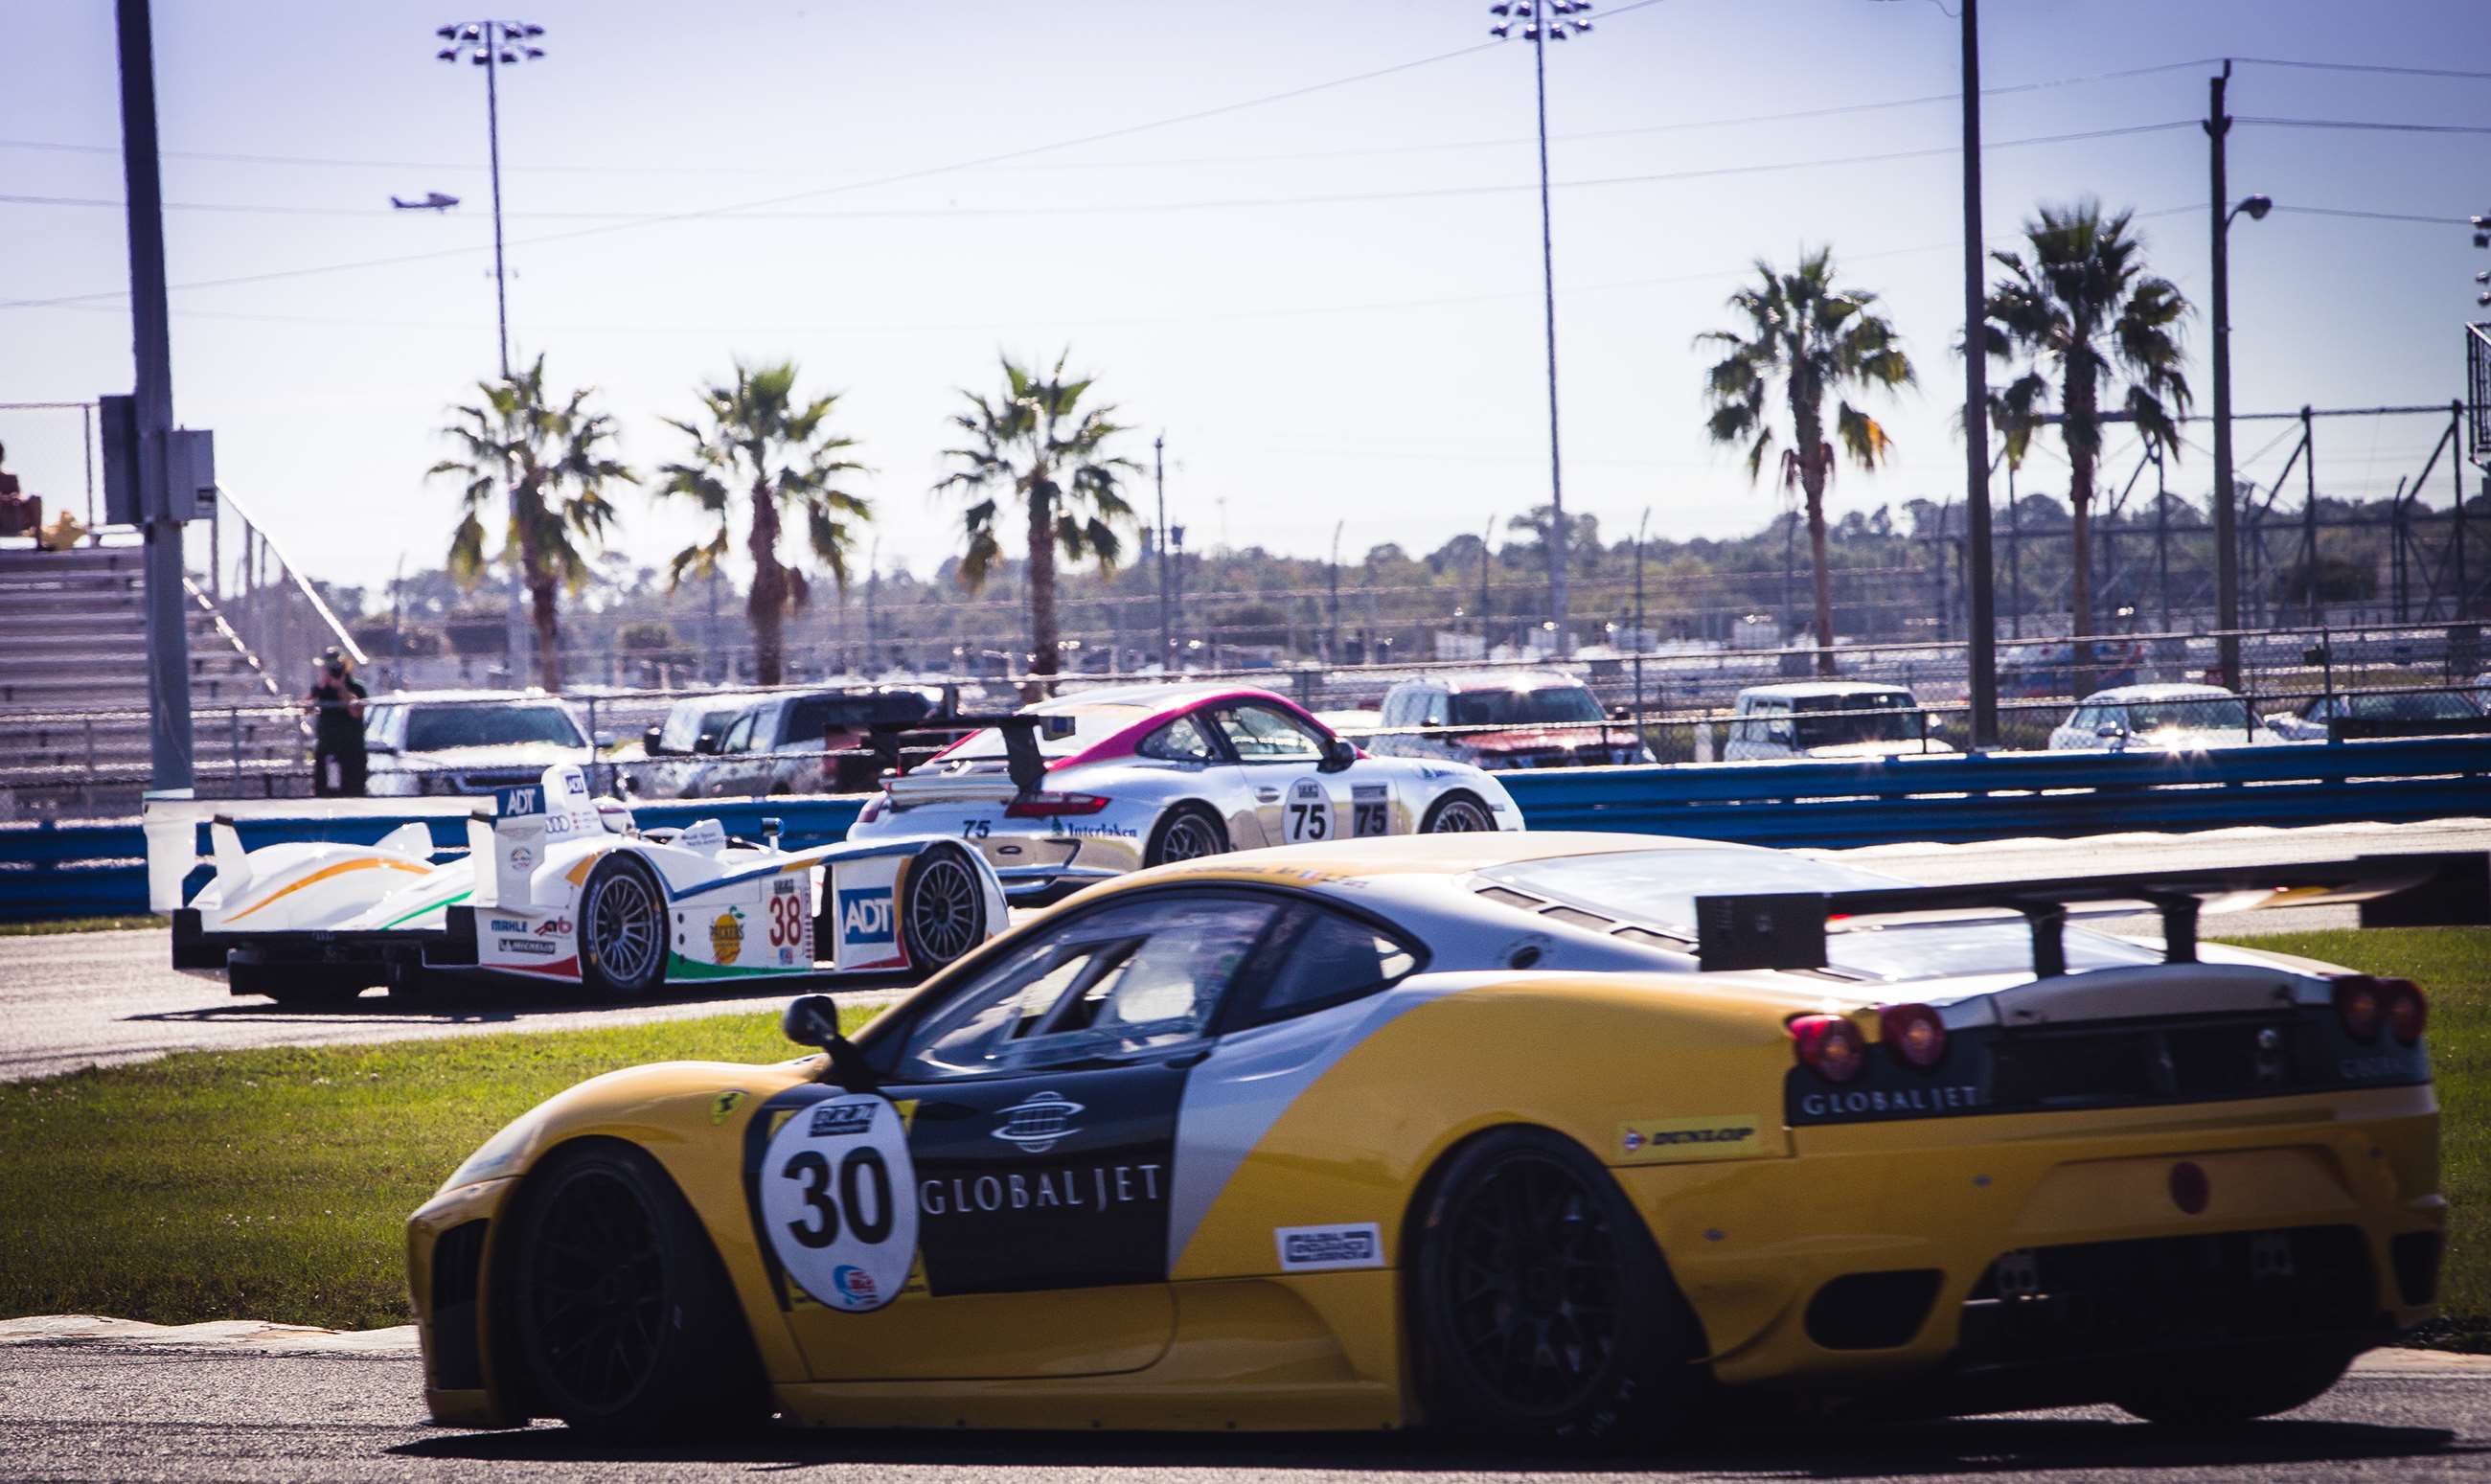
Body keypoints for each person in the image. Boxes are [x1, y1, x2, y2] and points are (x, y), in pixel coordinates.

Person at [305, 648, 369, 796]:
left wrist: (341, 689)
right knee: (323, 793)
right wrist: (319, 688)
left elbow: (356, 712)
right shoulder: (321, 689)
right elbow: (305, 709)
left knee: (354, 792)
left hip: (351, 750)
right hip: (326, 749)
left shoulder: (356, 688)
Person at [0, 442, 40, 540]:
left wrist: (13, 498)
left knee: (35, 497)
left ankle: (39, 541)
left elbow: (19, 496)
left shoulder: (10, 477)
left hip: (12, 518)